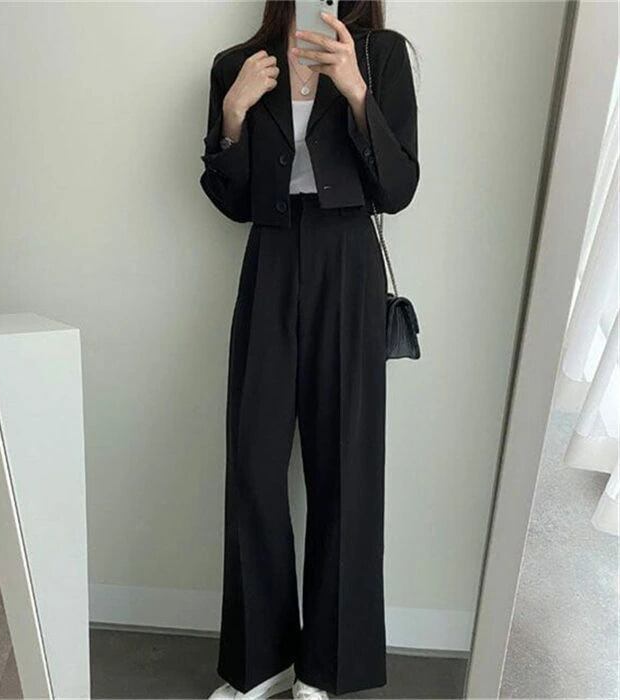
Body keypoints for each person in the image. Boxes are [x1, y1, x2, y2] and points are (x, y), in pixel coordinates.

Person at [199, 1, 419, 697]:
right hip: (269, 256)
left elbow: (399, 188)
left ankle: (327, 668)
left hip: (347, 259)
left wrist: (354, 90)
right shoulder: (237, 64)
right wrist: (233, 116)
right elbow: (232, 201)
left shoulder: (380, 54)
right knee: (253, 463)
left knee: (345, 466)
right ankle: (260, 664)